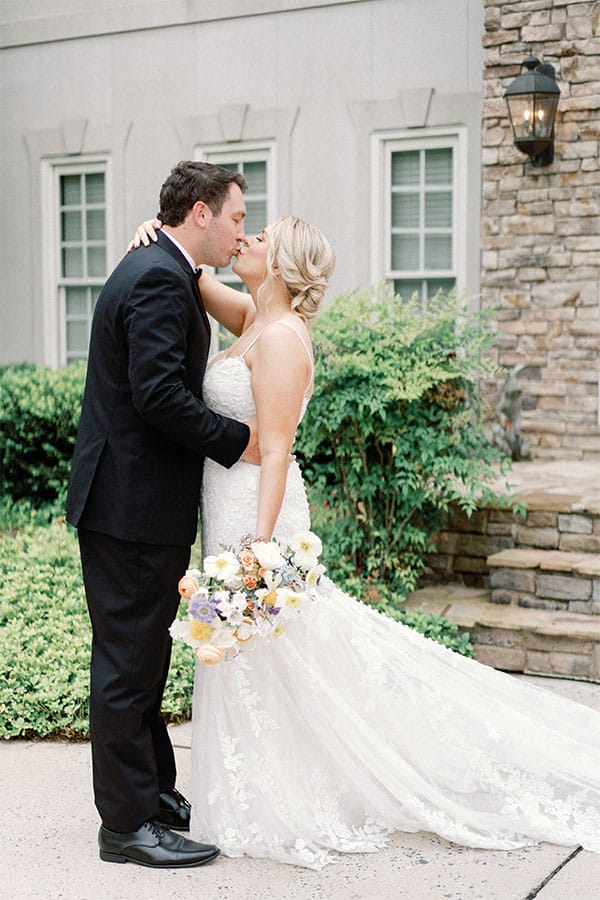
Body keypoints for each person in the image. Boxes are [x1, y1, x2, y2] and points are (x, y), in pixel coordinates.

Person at [130, 215, 600, 869]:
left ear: (284, 263)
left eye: (260, 236)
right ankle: (256, 784)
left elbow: (276, 447)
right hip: (229, 503)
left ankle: (284, 790)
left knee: (278, 647)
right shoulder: (253, 317)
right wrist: (158, 236)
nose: (247, 239)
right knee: (261, 658)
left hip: (260, 516)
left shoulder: (285, 336)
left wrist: (257, 552)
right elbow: (193, 272)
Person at [66, 161, 260, 869]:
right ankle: (125, 827)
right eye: (237, 215)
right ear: (201, 214)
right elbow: (156, 394)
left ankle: (153, 795)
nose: (242, 229)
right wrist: (239, 443)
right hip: (129, 508)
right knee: (127, 667)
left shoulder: (161, 266)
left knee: (141, 660)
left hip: (135, 505)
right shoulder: (155, 274)